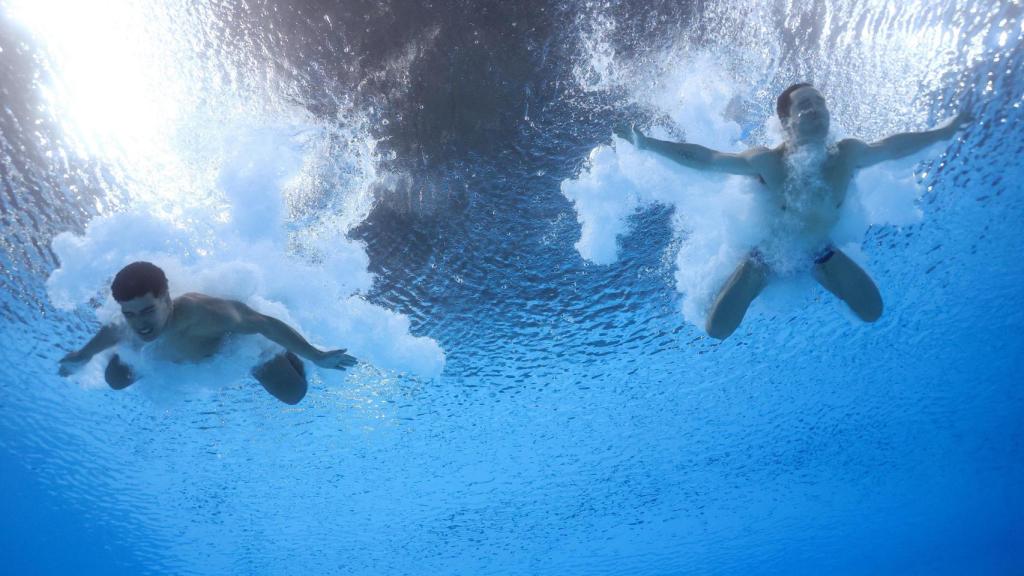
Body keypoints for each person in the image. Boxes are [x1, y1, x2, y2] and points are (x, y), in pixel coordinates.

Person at [615, 82, 970, 340]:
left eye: (820, 102)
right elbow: (707, 159)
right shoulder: (768, 161)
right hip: (767, 254)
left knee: (873, 311)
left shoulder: (847, 154)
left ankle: (820, 271)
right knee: (717, 330)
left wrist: (943, 132)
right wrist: (647, 144)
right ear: (786, 122)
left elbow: (894, 147)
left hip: (821, 251)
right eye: (804, 105)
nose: (815, 108)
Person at [57, 261, 356, 404]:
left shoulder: (207, 314)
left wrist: (316, 356)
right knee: (115, 380)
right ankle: (154, 357)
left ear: (167, 298)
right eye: (130, 314)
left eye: (148, 311)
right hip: (171, 353)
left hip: (233, 348)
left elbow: (265, 324)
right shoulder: (129, 323)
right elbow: (111, 333)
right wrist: (81, 356)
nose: (141, 323)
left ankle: (284, 356)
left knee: (294, 394)